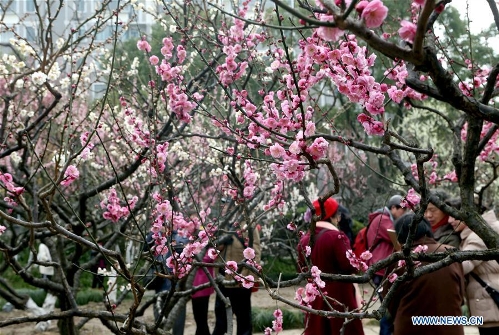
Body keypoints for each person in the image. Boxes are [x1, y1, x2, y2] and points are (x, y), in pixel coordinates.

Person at [383, 213, 465, 335]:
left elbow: (390, 302)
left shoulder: (399, 260)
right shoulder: (451, 252)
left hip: (411, 327)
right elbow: (460, 294)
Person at [297, 197, 364, 335]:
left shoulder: (304, 241)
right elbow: (350, 266)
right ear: (334, 217)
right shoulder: (337, 237)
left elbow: (301, 269)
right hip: (339, 296)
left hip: (315, 295)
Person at [447, 199, 499, 334]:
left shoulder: (478, 236)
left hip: (491, 303)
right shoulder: (483, 230)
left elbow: (464, 264)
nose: (449, 220)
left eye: (453, 215)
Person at [366, 194, 408, 335]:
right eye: (402, 209)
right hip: (382, 270)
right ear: (393, 207)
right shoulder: (383, 219)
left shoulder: (381, 218)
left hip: (381, 269)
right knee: (389, 308)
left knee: (390, 306)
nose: (404, 212)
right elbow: (396, 240)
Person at [212, 223, 261, 335]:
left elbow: (256, 254)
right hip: (223, 281)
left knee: (244, 322)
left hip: (241, 282)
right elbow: (213, 248)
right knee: (220, 322)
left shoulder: (249, 226)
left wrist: (247, 278)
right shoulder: (222, 223)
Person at [191, 249, 215, 335]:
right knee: (199, 318)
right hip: (195, 283)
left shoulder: (208, 244)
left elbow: (208, 257)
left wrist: (192, 256)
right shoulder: (195, 241)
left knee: (201, 318)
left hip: (203, 284)